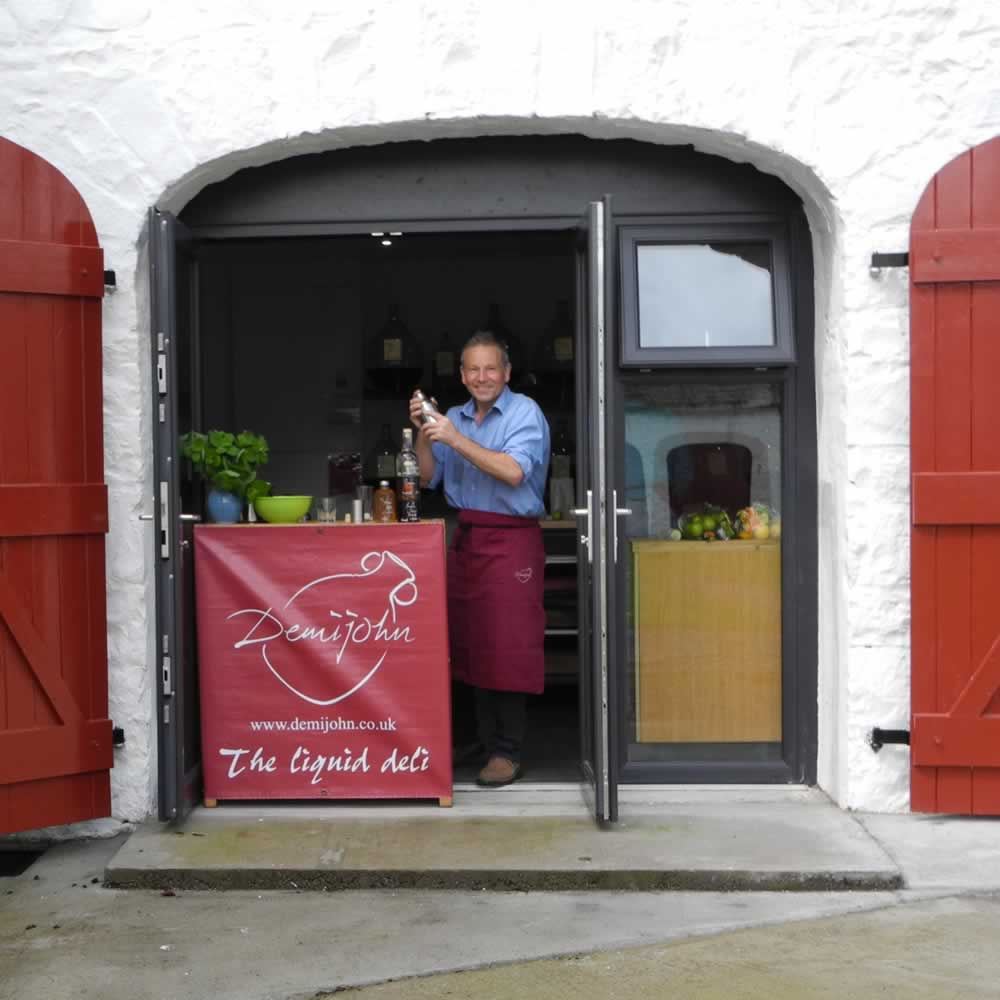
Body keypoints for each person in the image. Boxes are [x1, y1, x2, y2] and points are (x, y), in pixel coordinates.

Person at [409, 330, 551, 787]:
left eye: (491, 367)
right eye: (473, 368)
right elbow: (429, 477)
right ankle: (477, 739)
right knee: (466, 641)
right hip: (467, 537)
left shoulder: (525, 411)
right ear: (462, 374)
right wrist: (426, 435)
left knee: (506, 643)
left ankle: (507, 752)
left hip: (512, 540)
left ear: (506, 373)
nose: (482, 376)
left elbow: (513, 471)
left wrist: (454, 437)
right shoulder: (453, 416)